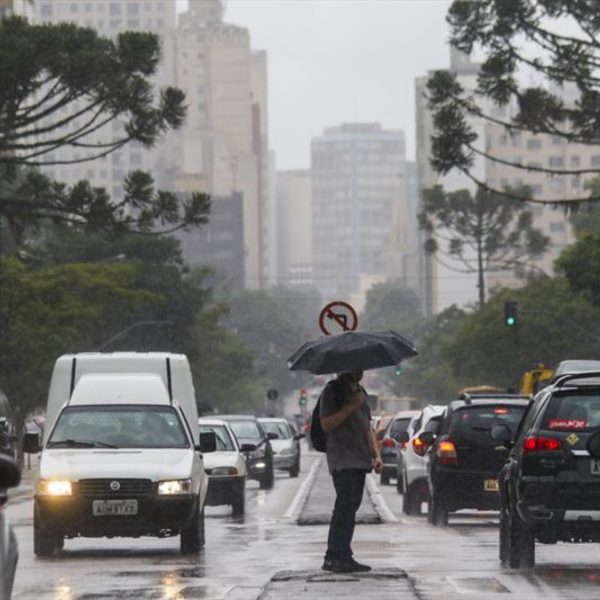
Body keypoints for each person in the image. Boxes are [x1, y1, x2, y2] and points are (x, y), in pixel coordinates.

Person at [319, 371, 383, 573]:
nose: (360, 372)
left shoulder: (361, 392)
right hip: (342, 458)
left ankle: (344, 554)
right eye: (356, 367)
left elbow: (367, 427)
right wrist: (350, 407)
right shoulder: (332, 391)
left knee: (351, 506)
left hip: (360, 458)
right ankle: (333, 556)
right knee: (344, 504)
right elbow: (326, 424)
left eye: (362, 368)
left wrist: (376, 454)